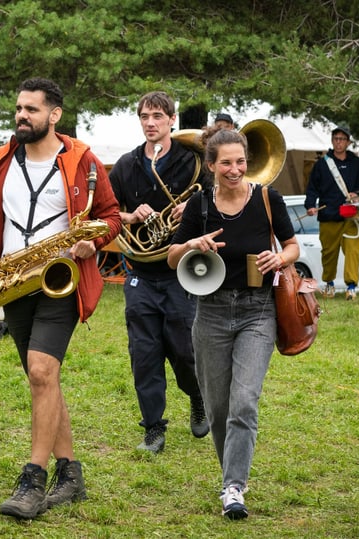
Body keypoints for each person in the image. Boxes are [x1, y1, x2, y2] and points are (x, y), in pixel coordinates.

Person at [0, 78, 120, 520]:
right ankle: (71, 474)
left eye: (31, 110)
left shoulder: (83, 161)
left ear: (54, 114)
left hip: (61, 277)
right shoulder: (1, 160)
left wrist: (91, 245)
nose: (22, 115)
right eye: (19, 108)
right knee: (44, 380)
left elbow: (111, 217)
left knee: (42, 371)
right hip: (15, 281)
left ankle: (33, 480)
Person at [167, 127, 299, 520]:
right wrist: (193, 244)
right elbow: (172, 258)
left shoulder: (267, 198)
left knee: (244, 402)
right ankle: (230, 475)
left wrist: (281, 259)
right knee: (219, 406)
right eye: (226, 162)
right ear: (211, 166)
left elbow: (292, 245)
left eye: (240, 161)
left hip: (258, 311)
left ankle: (233, 487)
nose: (236, 169)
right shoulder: (199, 206)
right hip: (210, 311)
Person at [108, 91, 211, 453]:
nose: (150, 123)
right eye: (144, 117)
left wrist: (192, 205)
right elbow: (104, 214)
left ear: (172, 119)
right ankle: (154, 427)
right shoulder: (125, 165)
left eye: (157, 116)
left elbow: (220, 200)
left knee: (184, 348)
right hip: (140, 271)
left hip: (180, 272)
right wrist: (130, 216)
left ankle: (197, 396)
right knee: (144, 352)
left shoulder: (193, 159)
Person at [304, 126, 359, 300]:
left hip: (351, 216)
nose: (339, 142)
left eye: (342, 139)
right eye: (336, 138)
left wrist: (357, 193)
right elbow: (312, 188)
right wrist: (310, 205)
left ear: (348, 142)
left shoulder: (357, 163)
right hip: (328, 216)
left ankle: (351, 287)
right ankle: (329, 284)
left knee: (353, 251)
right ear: (332, 141)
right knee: (329, 252)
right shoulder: (322, 164)